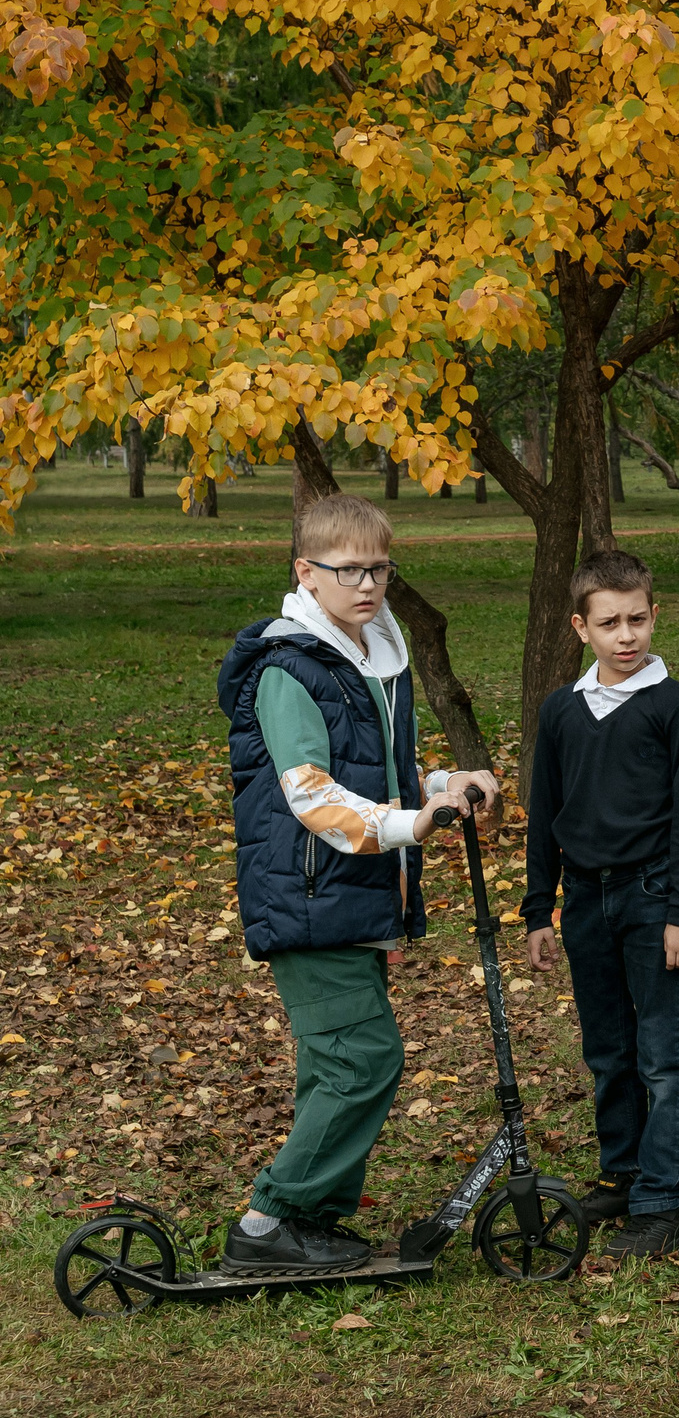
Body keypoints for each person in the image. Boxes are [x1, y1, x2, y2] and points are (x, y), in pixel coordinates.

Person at [215, 494, 502, 1273]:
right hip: (309, 897)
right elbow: (311, 796)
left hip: (348, 895)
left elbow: (381, 773)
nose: (369, 584)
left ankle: (308, 1222)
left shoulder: (369, 655)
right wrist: (413, 825)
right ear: (306, 573)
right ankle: (268, 1223)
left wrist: (444, 784)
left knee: (336, 1064)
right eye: (349, 570)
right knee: (362, 1061)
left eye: (380, 568)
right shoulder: (291, 669)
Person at [519, 550, 679, 1259]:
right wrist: (538, 909)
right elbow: (545, 813)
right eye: (609, 623)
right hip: (583, 898)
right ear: (581, 627)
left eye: (637, 620)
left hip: (654, 895)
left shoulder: (674, 705)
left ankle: (660, 1198)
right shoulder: (561, 711)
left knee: (662, 1051)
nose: (625, 636)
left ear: (654, 616)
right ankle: (623, 1172)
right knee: (607, 1048)